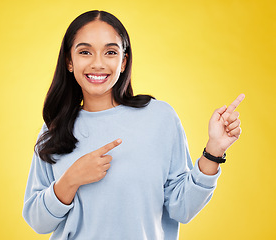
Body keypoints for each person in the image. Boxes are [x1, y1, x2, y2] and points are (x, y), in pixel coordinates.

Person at [22, 10, 245, 240]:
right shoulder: (55, 128)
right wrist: (71, 179)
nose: (97, 63)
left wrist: (214, 151)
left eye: (110, 52)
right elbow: (38, 222)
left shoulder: (159, 117)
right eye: (85, 52)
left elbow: (182, 208)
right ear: (70, 61)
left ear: (123, 61)